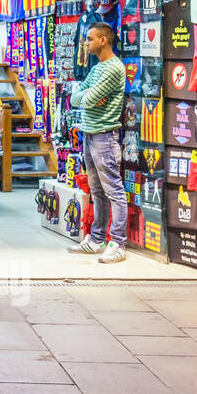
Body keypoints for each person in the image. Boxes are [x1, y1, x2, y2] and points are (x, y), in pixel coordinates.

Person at [67, 22, 128, 263]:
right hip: (90, 133)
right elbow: (75, 97)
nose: (86, 42)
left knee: (113, 189)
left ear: (103, 40)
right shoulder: (96, 68)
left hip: (104, 135)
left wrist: (88, 97)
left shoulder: (113, 68)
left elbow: (88, 97)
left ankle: (119, 243)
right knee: (97, 190)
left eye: (90, 38)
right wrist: (87, 97)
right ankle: (97, 238)